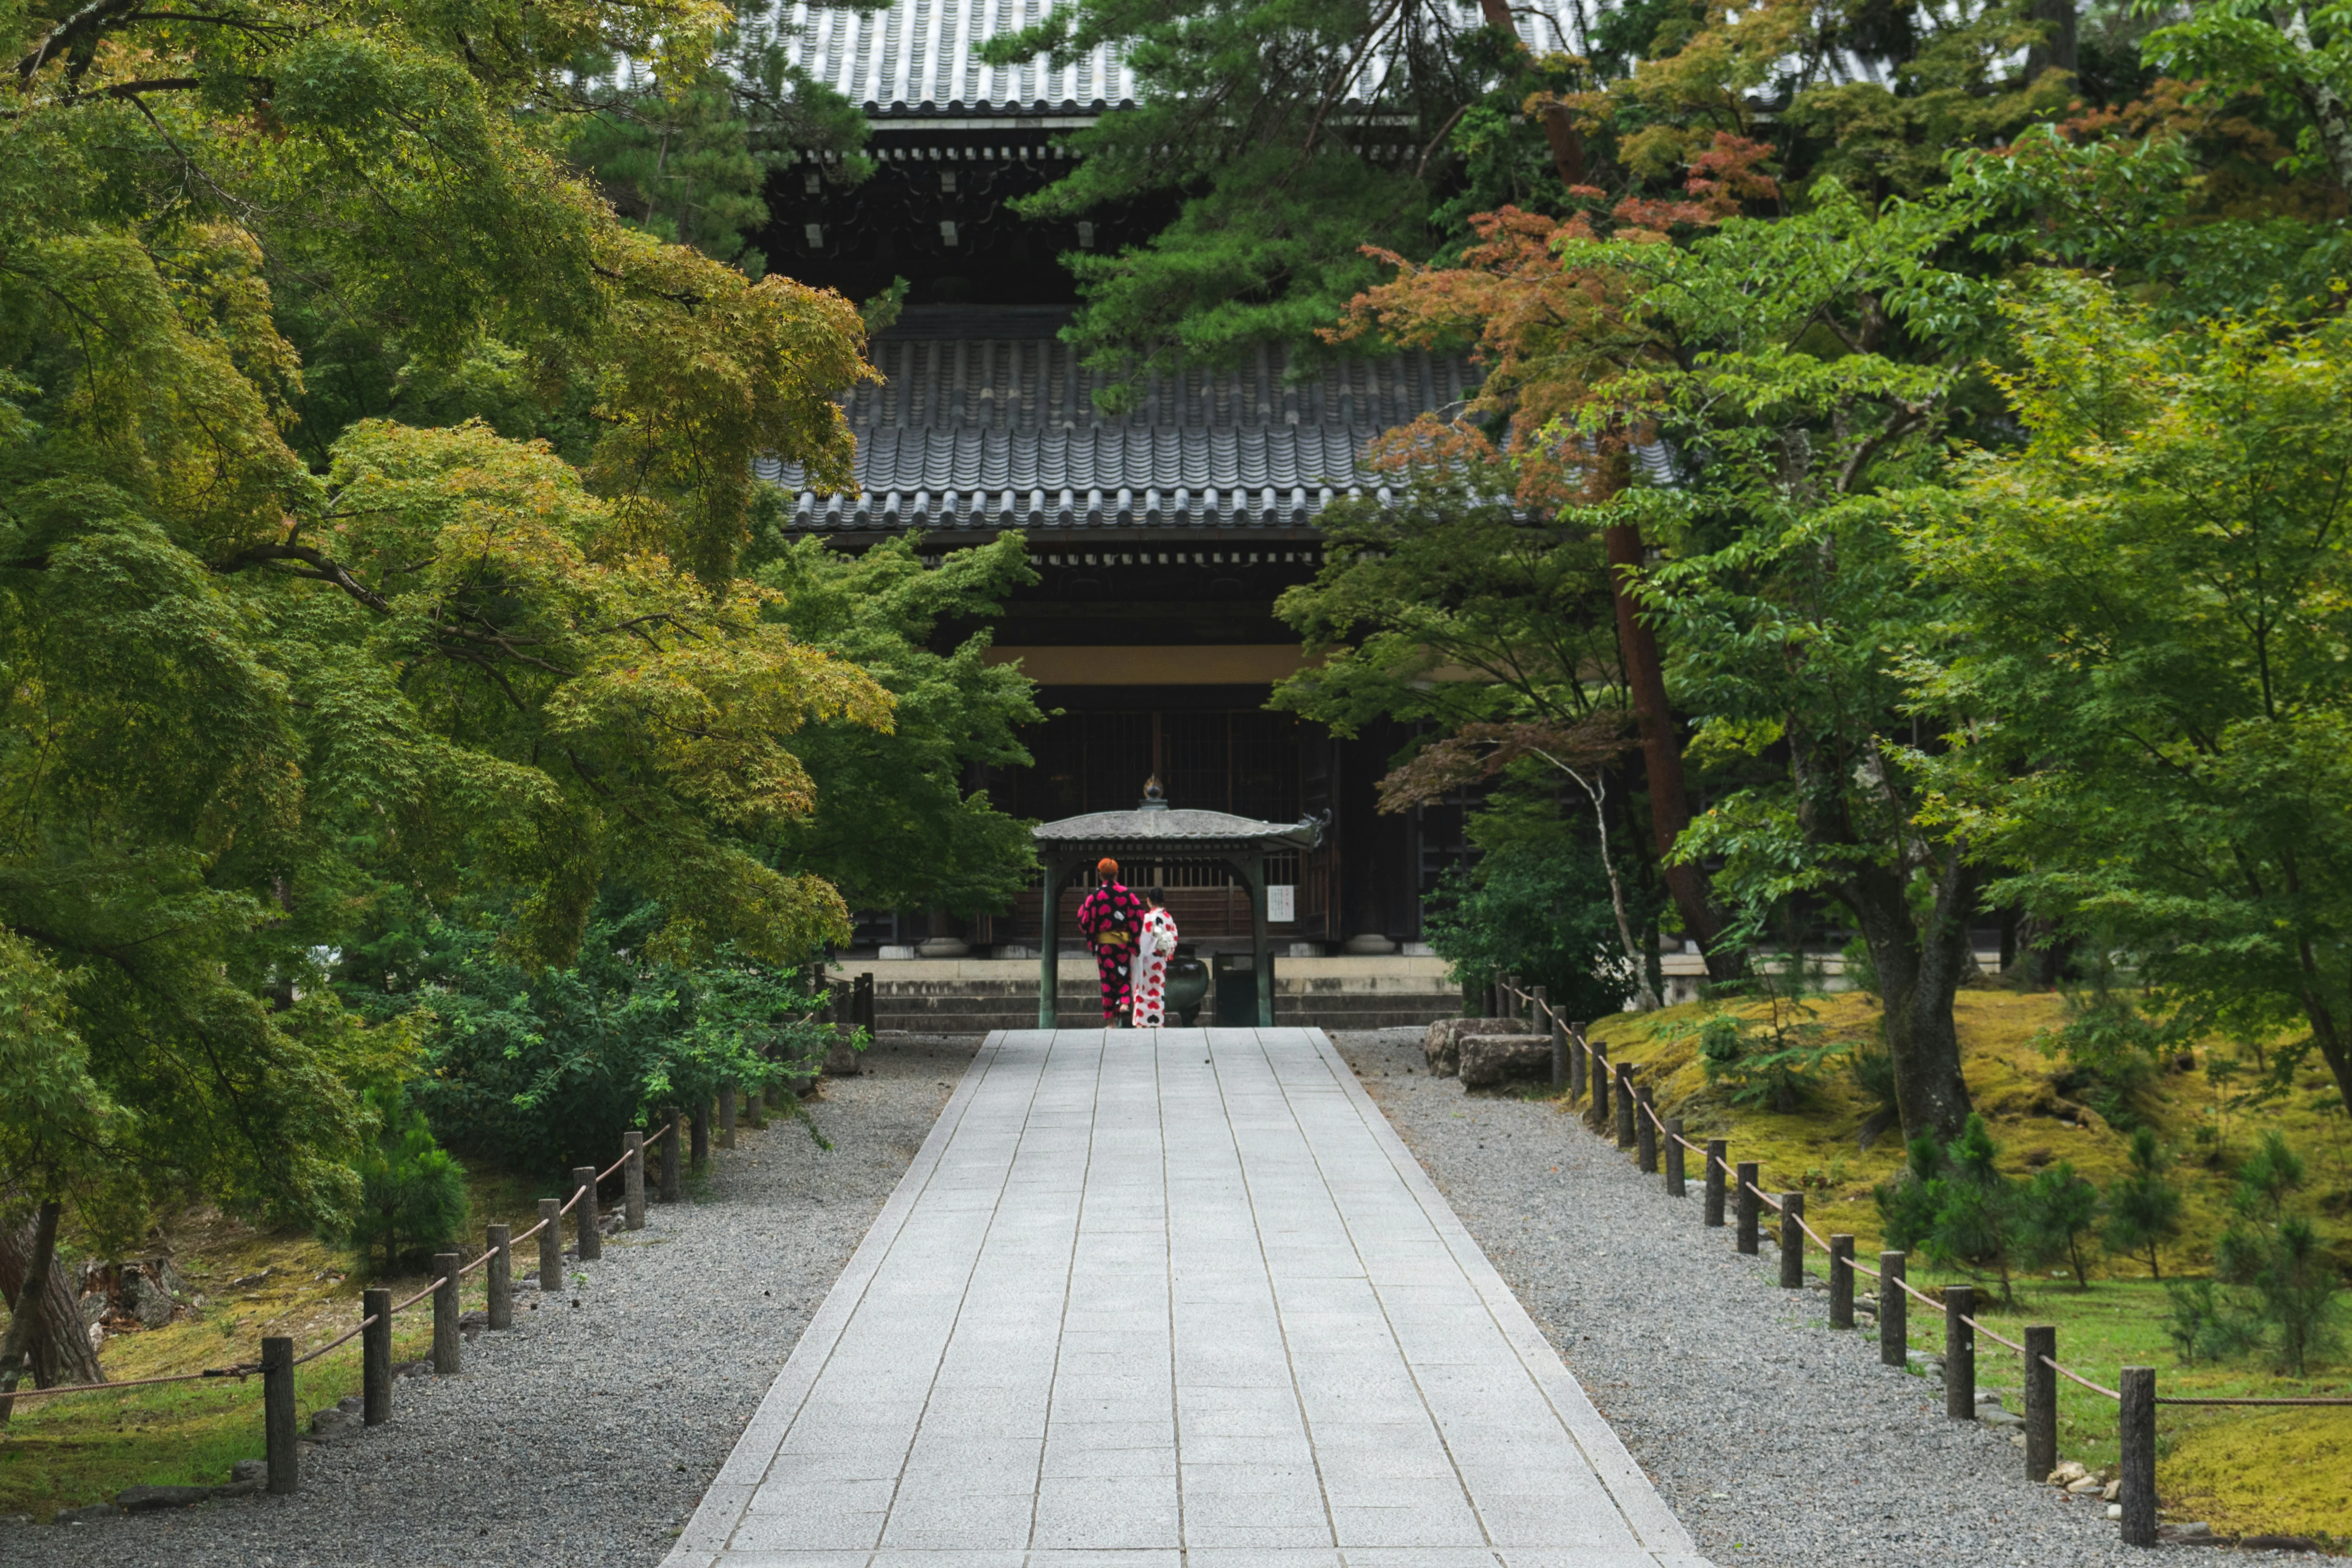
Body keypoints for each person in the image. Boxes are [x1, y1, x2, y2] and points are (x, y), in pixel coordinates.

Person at [1074, 857, 1146, 1026]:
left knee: (1108, 980)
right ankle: (1124, 1004)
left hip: (1105, 946)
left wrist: (1094, 935)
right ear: (1117, 874)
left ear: (1100, 875)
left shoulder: (1095, 896)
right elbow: (1139, 915)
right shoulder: (1127, 894)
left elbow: (1084, 919)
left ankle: (1111, 1022)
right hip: (1122, 945)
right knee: (1123, 976)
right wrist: (1132, 939)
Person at [1129, 889, 1179, 1028]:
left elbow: (1141, 940)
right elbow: (1174, 938)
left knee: (1143, 989)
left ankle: (1142, 1022)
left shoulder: (1147, 918)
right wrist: (1168, 953)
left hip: (1146, 960)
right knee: (1158, 990)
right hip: (1160, 959)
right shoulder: (1169, 918)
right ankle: (1158, 1021)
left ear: (1149, 901)